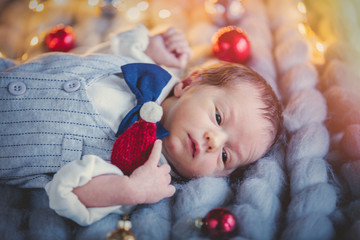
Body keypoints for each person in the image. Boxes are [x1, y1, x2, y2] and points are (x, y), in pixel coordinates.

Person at [0, 25, 283, 226]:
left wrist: (130, 190)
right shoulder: (149, 69)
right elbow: (111, 49)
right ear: (187, 83)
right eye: (218, 118)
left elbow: (69, 188)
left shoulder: (140, 170)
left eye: (225, 156)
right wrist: (155, 45)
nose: (215, 141)